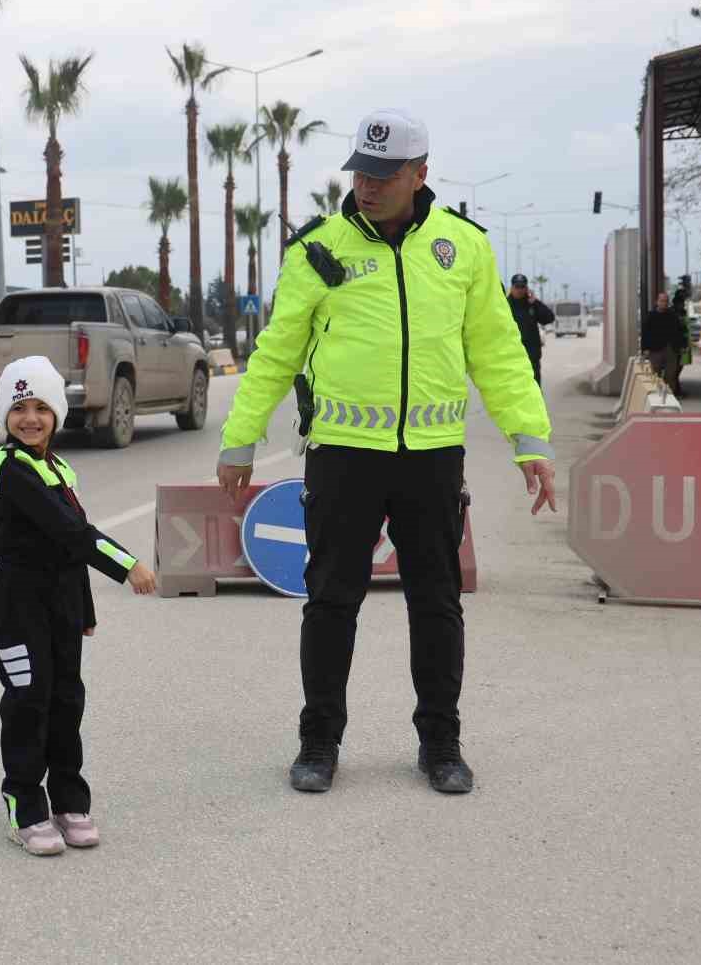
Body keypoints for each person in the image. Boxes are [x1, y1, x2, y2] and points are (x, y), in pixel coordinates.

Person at [215, 109, 556, 795]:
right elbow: (275, 351)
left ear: (420, 174)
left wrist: (530, 440)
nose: (366, 186)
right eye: (359, 173)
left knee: (436, 604)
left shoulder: (463, 248)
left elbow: (496, 351)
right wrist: (239, 438)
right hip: (343, 456)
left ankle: (441, 745)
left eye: (382, 174)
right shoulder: (318, 248)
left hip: (430, 458)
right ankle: (318, 743)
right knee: (330, 601)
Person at [0, 355, 156, 855]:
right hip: (19, 601)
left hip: (59, 599)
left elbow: (68, 554)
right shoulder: (12, 467)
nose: (30, 418)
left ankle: (68, 802)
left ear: (57, 414)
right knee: (28, 701)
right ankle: (25, 807)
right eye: (19, 408)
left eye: (41, 407)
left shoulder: (57, 466)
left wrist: (84, 611)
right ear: (4, 416)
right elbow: (71, 533)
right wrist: (127, 566)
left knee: (66, 700)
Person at [506, 273, 555, 384]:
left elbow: (549, 318)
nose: (519, 290)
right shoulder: (505, 305)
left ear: (526, 288)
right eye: (517, 287)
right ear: (512, 288)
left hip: (531, 358)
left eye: (522, 286)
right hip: (512, 358)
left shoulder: (532, 304)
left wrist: (536, 302)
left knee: (534, 392)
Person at [641, 290, 686, 396]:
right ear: (657, 302)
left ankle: (670, 397)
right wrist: (645, 349)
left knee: (671, 375)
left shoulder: (673, 316)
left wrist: (683, 345)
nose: (664, 303)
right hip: (655, 349)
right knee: (655, 374)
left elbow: (680, 331)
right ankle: (656, 396)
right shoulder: (651, 316)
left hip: (671, 349)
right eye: (661, 301)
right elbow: (645, 333)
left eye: (666, 301)